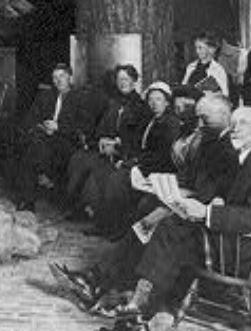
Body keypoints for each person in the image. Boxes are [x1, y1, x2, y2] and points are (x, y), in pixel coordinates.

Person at [97, 105, 251, 331]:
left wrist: (207, 213)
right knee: (168, 222)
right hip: (233, 238)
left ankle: (140, 307)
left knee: (171, 230)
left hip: (248, 250)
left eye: (244, 124)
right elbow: (232, 194)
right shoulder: (246, 156)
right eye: (234, 123)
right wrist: (217, 200)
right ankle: (139, 303)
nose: (235, 129)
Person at [51, 93, 240, 313]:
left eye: (204, 119)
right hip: (188, 209)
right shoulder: (211, 142)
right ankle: (99, 281)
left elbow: (212, 196)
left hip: (203, 223)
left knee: (150, 219)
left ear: (224, 117)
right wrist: (160, 184)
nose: (199, 124)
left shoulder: (226, 150)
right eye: (198, 118)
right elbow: (193, 182)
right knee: (146, 218)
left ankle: (100, 281)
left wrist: (175, 195)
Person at [87, 81, 185, 240]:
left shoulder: (170, 124)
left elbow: (161, 155)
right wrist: (121, 150)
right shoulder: (153, 120)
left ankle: (116, 229)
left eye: (158, 99)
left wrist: (131, 163)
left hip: (158, 169)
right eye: (151, 100)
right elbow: (139, 145)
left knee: (117, 179)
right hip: (146, 164)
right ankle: (107, 225)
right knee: (105, 174)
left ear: (167, 102)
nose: (154, 103)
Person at [64, 65, 147, 218]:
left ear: (134, 81)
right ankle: (79, 206)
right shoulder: (114, 103)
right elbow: (102, 127)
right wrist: (102, 139)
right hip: (106, 148)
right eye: (119, 79)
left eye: (126, 79)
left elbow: (138, 137)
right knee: (78, 158)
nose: (122, 83)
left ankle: (95, 213)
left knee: (95, 167)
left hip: (124, 152)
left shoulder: (141, 107)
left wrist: (117, 144)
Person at [16, 64, 100, 211]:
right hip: (44, 137)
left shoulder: (81, 98)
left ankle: (29, 198)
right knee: (33, 145)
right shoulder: (45, 95)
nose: (58, 81)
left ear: (70, 77)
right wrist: (42, 126)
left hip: (68, 141)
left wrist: (59, 127)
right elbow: (30, 118)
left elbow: (85, 126)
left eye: (62, 76)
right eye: (55, 77)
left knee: (35, 148)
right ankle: (28, 199)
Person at [179, 32, 230, 98]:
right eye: (196, 48)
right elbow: (183, 86)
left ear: (212, 49)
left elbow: (225, 94)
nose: (197, 51)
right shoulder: (191, 67)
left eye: (200, 48)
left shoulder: (218, 70)